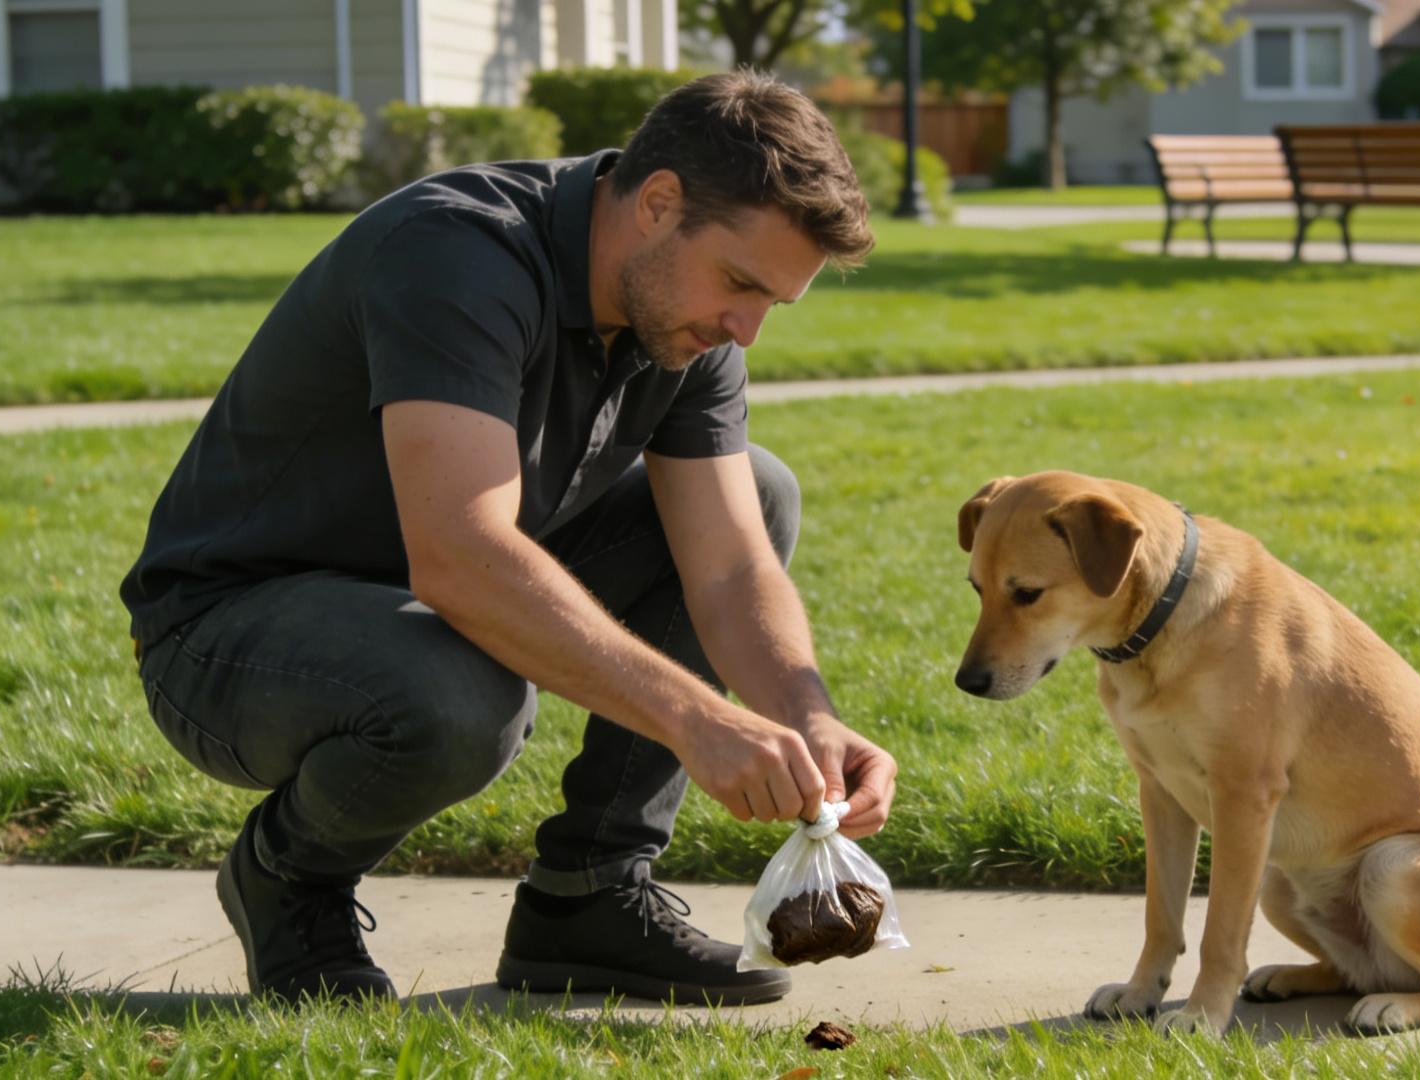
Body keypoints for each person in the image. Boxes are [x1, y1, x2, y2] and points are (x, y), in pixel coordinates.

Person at [119, 70, 897, 1006]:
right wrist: (700, 721)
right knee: (461, 698)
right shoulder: (459, 253)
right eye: (739, 283)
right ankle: (289, 879)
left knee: (759, 492)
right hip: (228, 634)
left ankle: (588, 900)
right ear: (658, 204)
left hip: (415, 601)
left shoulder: (688, 326)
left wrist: (807, 719)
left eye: (774, 301)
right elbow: (459, 556)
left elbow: (730, 568)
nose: (746, 329)